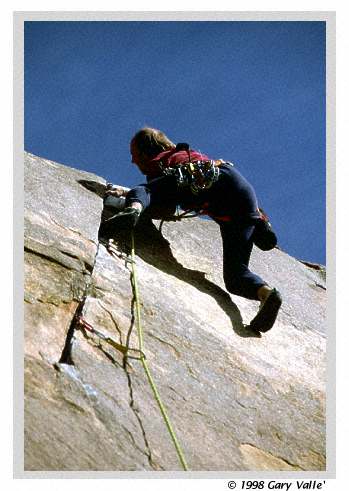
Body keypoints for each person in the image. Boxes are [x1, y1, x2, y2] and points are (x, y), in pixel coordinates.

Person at [100, 127, 282, 332]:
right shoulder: (186, 153)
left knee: (144, 190)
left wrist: (127, 200)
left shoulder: (159, 161)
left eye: (134, 155)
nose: (133, 161)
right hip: (239, 194)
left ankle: (132, 211)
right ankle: (267, 294)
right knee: (236, 277)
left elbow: (160, 201)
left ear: (145, 151)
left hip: (199, 181)